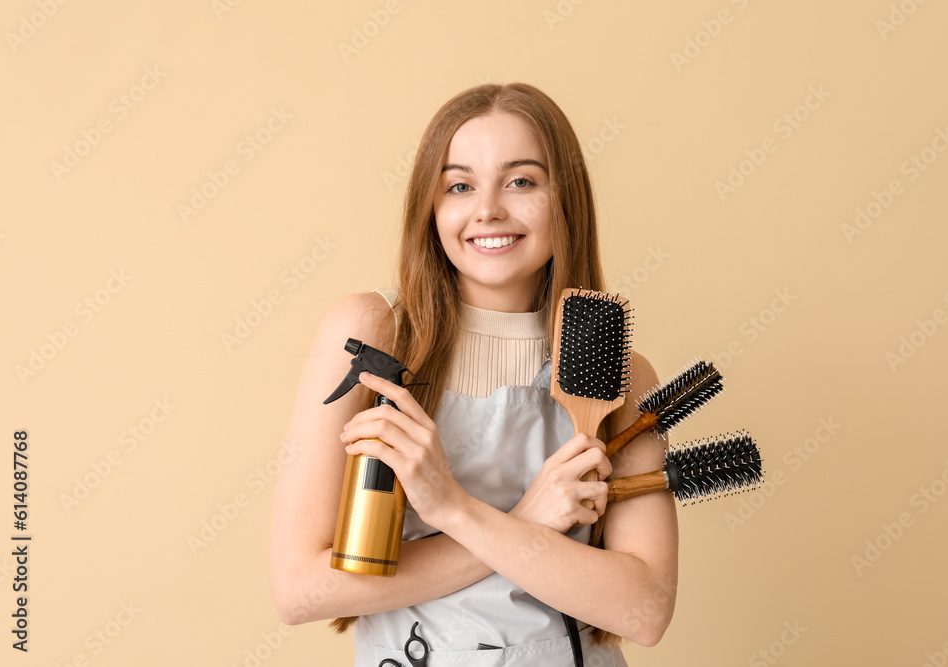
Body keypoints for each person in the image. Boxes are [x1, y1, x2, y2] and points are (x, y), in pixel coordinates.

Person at [267, 82, 678, 666]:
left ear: (567, 200)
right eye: (459, 186)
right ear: (430, 209)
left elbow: (645, 608)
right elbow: (301, 588)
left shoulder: (616, 367)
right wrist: (519, 521)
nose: (487, 209)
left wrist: (456, 511)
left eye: (522, 181)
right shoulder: (372, 335)